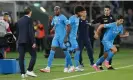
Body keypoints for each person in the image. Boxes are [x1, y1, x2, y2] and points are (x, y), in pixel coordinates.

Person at [40, 6, 73, 73]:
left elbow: (69, 26)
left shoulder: (63, 17)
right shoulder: (54, 18)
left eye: (57, 10)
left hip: (62, 37)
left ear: (59, 10)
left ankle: (72, 66)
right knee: (52, 50)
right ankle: (48, 67)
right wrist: (52, 26)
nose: (55, 11)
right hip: (56, 37)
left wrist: (66, 37)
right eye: (54, 10)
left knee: (66, 52)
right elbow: (53, 26)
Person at [92, 5, 115, 70]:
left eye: (107, 10)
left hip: (110, 37)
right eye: (105, 10)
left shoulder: (112, 18)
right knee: (102, 51)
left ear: (110, 10)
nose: (106, 11)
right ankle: (99, 65)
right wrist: (95, 32)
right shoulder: (102, 17)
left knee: (110, 51)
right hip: (103, 37)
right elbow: (94, 22)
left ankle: (109, 65)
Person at [16, 7, 37, 78]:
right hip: (28, 41)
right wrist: (33, 41)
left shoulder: (19, 21)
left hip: (20, 41)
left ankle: (22, 73)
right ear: (30, 12)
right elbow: (30, 31)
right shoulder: (29, 19)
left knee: (21, 57)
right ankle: (29, 70)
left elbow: (17, 33)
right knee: (34, 55)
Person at [65, 6, 86, 72]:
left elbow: (74, 28)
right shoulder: (72, 18)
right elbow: (67, 27)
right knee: (77, 50)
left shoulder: (78, 18)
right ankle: (73, 67)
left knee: (71, 52)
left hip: (73, 38)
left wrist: (75, 34)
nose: (83, 13)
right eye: (82, 12)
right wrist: (66, 37)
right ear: (78, 12)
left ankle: (67, 67)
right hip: (71, 38)